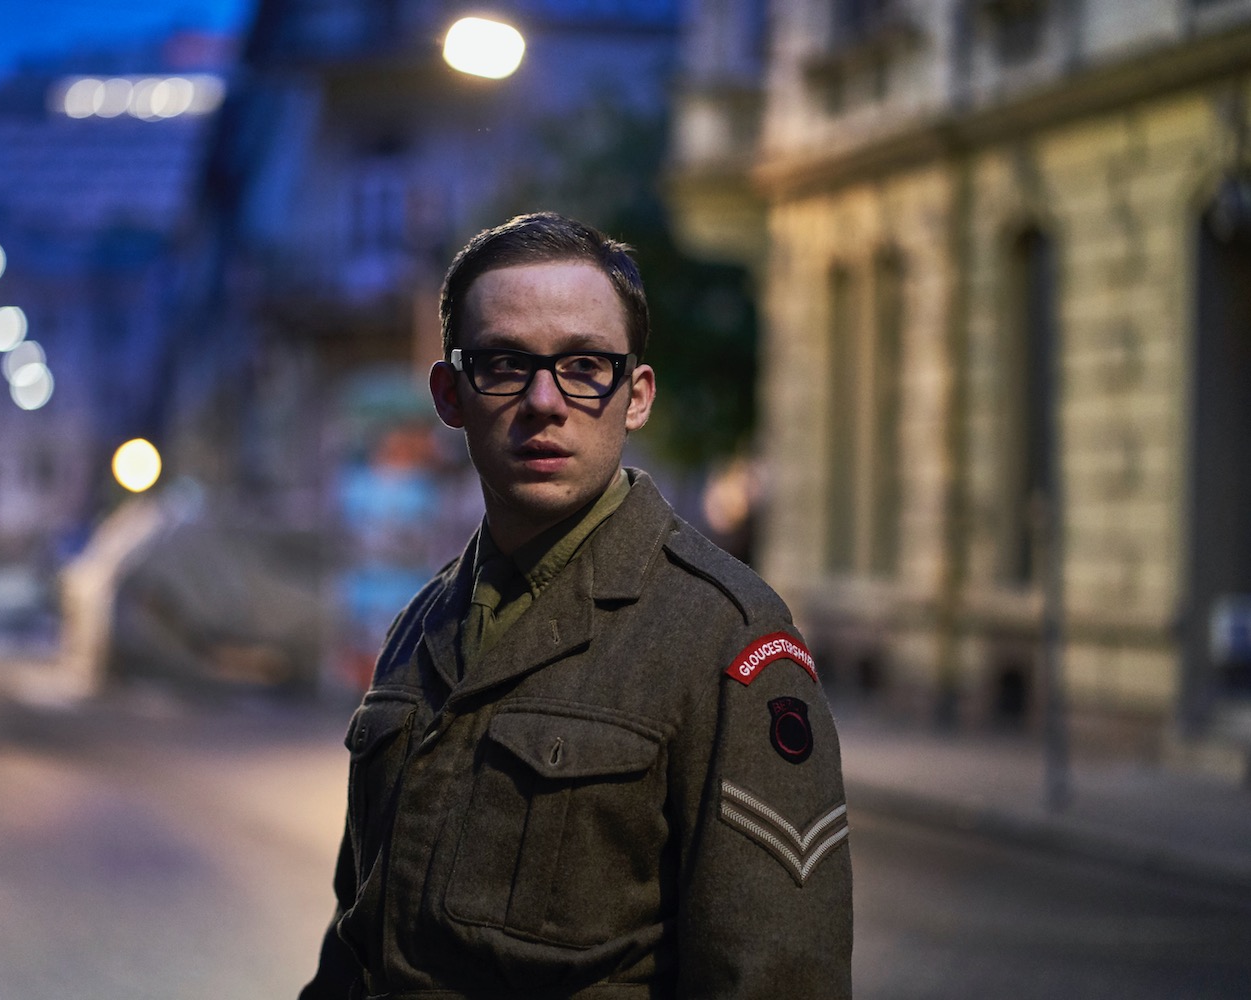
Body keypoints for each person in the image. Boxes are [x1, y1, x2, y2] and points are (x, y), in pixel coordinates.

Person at [300, 212, 852, 999]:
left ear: (636, 396)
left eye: (585, 365)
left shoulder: (723, 639)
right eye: (504, 364)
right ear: (450, 395)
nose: (544, 401)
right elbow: (356, 944)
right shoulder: (420, 630)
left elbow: (774, 982)